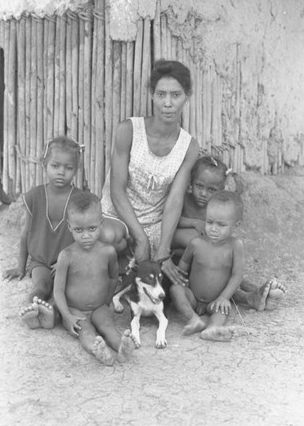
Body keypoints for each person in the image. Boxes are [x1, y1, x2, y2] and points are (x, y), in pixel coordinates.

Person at [99, 59, 200, 285]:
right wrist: (140, 238)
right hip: (119, 217)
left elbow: (175, 200)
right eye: (161, 94)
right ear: (152, 95)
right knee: (109, 238)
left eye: (176, 95)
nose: (167, 103)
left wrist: (163, 248)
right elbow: (116, 190)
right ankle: (127, 269)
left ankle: (146, 271)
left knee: (199, 244)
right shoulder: (129, 130)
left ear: (187, 96)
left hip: (156, 223)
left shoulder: (188, 146)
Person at [172, 155, 286, 310]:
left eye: (211, 190)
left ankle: (255, 294)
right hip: (185, 256)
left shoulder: (216, 208)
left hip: (208, 261)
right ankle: (251, 295)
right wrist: (194, 222)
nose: (204, 193)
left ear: (221, 190)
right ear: (191, 183)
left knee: (224, 266)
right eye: (199, 186)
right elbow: (173, 220)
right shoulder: (185, 200)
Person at [2, 136, 83, 329]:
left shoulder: (80, 200)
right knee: (41, 286)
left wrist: (69, 259)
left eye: (68, 168)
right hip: (40, 260)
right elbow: (26, 233)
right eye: (55, 166)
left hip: (67, 263)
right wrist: (21, 267)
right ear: (44, 164)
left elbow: (85, 236)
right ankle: (34, 308)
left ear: (75, 170)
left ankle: (51, 314)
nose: (61, 172)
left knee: (63, 291)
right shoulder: (34, 196)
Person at [53, 191, 138, 365]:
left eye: (92, 229)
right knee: (86, 331)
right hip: (75, 310)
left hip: (100, 307)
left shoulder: (108, 252)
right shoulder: (66, 256)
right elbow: (58, 291)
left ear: (101, 223)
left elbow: (114, 277)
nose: (86, 235)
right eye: (79, 230)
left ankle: (122, 347)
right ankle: (97, 350)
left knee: (109, 327)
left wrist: (107, 301)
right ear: (69, 227)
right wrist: (67, 315)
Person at [170, 190, 245, 341]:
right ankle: (193, 319)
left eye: (221, 225)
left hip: (215, 300)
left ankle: (213, 328)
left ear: (235, 225)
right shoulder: (196, 243)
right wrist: (180, 278)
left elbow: (237, 275)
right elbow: (184, 262)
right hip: (193, 296)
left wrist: (224, 297)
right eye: (209, 222)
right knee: (175, 290)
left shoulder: (235, 246)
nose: (213, 228)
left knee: (222, 309)